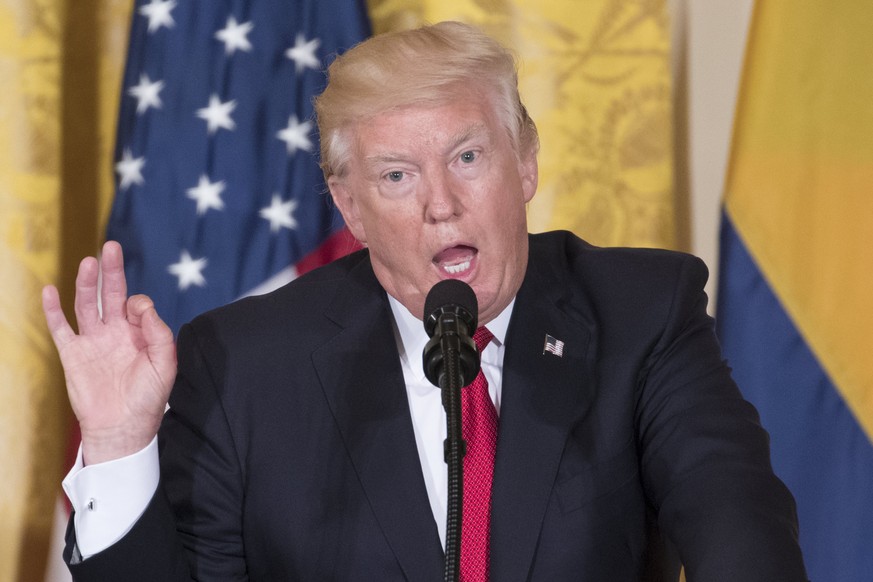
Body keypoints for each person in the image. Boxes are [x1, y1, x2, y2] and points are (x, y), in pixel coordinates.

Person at [42, 21, 808, 581]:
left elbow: (739, 531)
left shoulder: (640, 313)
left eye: (467, 157)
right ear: (349, 207)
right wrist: (117, 444)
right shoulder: (244, 362)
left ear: (527, 163)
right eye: (397, 176)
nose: (441, 204)